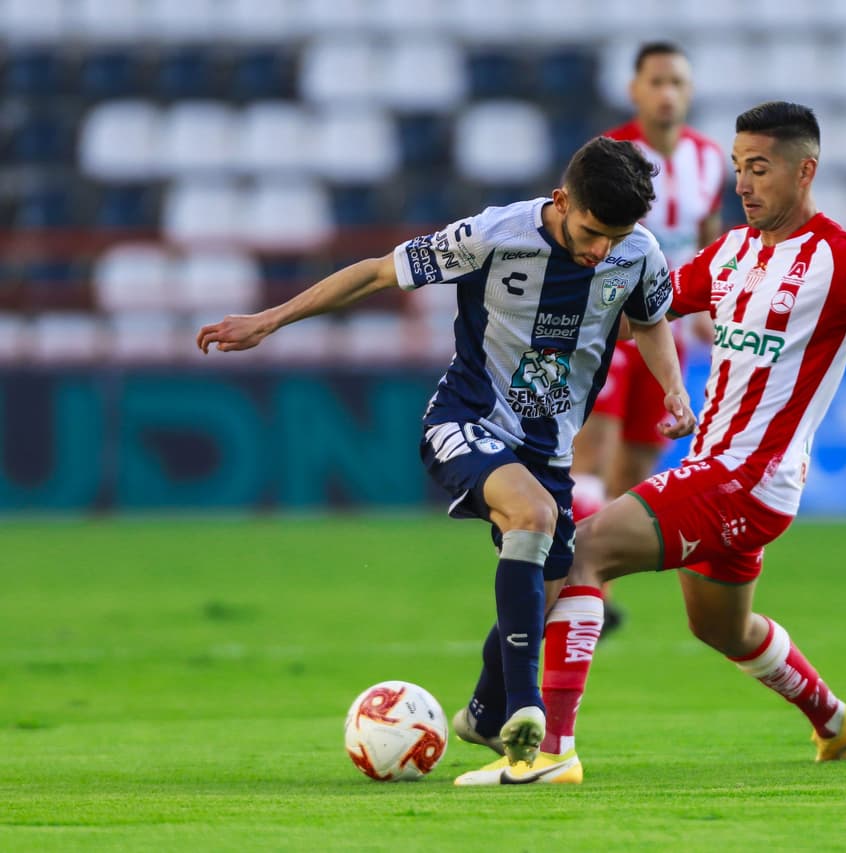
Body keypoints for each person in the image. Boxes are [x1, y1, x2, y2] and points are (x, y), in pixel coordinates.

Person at [453, 102, 846, 785]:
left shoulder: (838, 261)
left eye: (760, 168)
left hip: (749, 477)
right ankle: (836, 721)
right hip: (717, 473)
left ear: (806, 172)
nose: (743, 183)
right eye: (738, 167)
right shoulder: (731, 253)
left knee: (581, 551)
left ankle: (551, 753)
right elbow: (635, 314)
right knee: (721, 628)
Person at [195, 136, 696, 766]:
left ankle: (484, 715)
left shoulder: (638, 254)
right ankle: (524, 707)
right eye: (593, 231)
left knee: (553, 586)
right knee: (533, 517)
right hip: (466, 420)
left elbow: (650, 321)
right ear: (562, 200)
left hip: (552, 448)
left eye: (615, 238)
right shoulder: (494, 234)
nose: (601, 251)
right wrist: (269, 319)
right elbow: (378, 272)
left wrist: (674, 389)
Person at [571, 42, 725, 636]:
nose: (668, 93)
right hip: (607, 328)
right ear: (635, 90)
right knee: (590, 456)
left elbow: (710, 241)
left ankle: (592, 578)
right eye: (657, 81)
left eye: (678, 82)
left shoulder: (709, 159)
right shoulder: (609, 158)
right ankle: (581, 587)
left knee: (634, 466)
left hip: (670, 332)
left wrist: (710, 312)